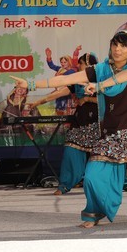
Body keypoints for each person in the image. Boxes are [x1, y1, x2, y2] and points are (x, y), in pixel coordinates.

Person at [11, 30, 127, 228]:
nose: (118, 49)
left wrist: (101, 85)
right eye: (115, 44)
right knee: (92, 177)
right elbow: (66, 80)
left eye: (123, 45)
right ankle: (95, 212)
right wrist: (31, 83)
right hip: (111, 135)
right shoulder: (100, 69)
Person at [30, 53, 99, 195]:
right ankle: (65, 185)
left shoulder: (102, 79)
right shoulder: (76, 82)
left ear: (88, 65)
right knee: (70, 150)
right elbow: (57, 93)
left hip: (98, 121)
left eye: (80, 64)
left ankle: (120, 183)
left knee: (103, 155)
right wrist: (38, 102)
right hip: (80, 120)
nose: (78, 66)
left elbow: (110, 100)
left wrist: (87, 99)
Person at [45, 48, 77, 115]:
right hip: (59, 94)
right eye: (61, 62)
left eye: (65, 62)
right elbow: (52, 66)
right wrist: (48, 56)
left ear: (69, 62)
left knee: (66, 112)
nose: (63, 64)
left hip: (67, 94)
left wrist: (58, 77)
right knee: (59, 111)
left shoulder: (72, 71)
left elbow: (65, 80)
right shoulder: (60, 69)